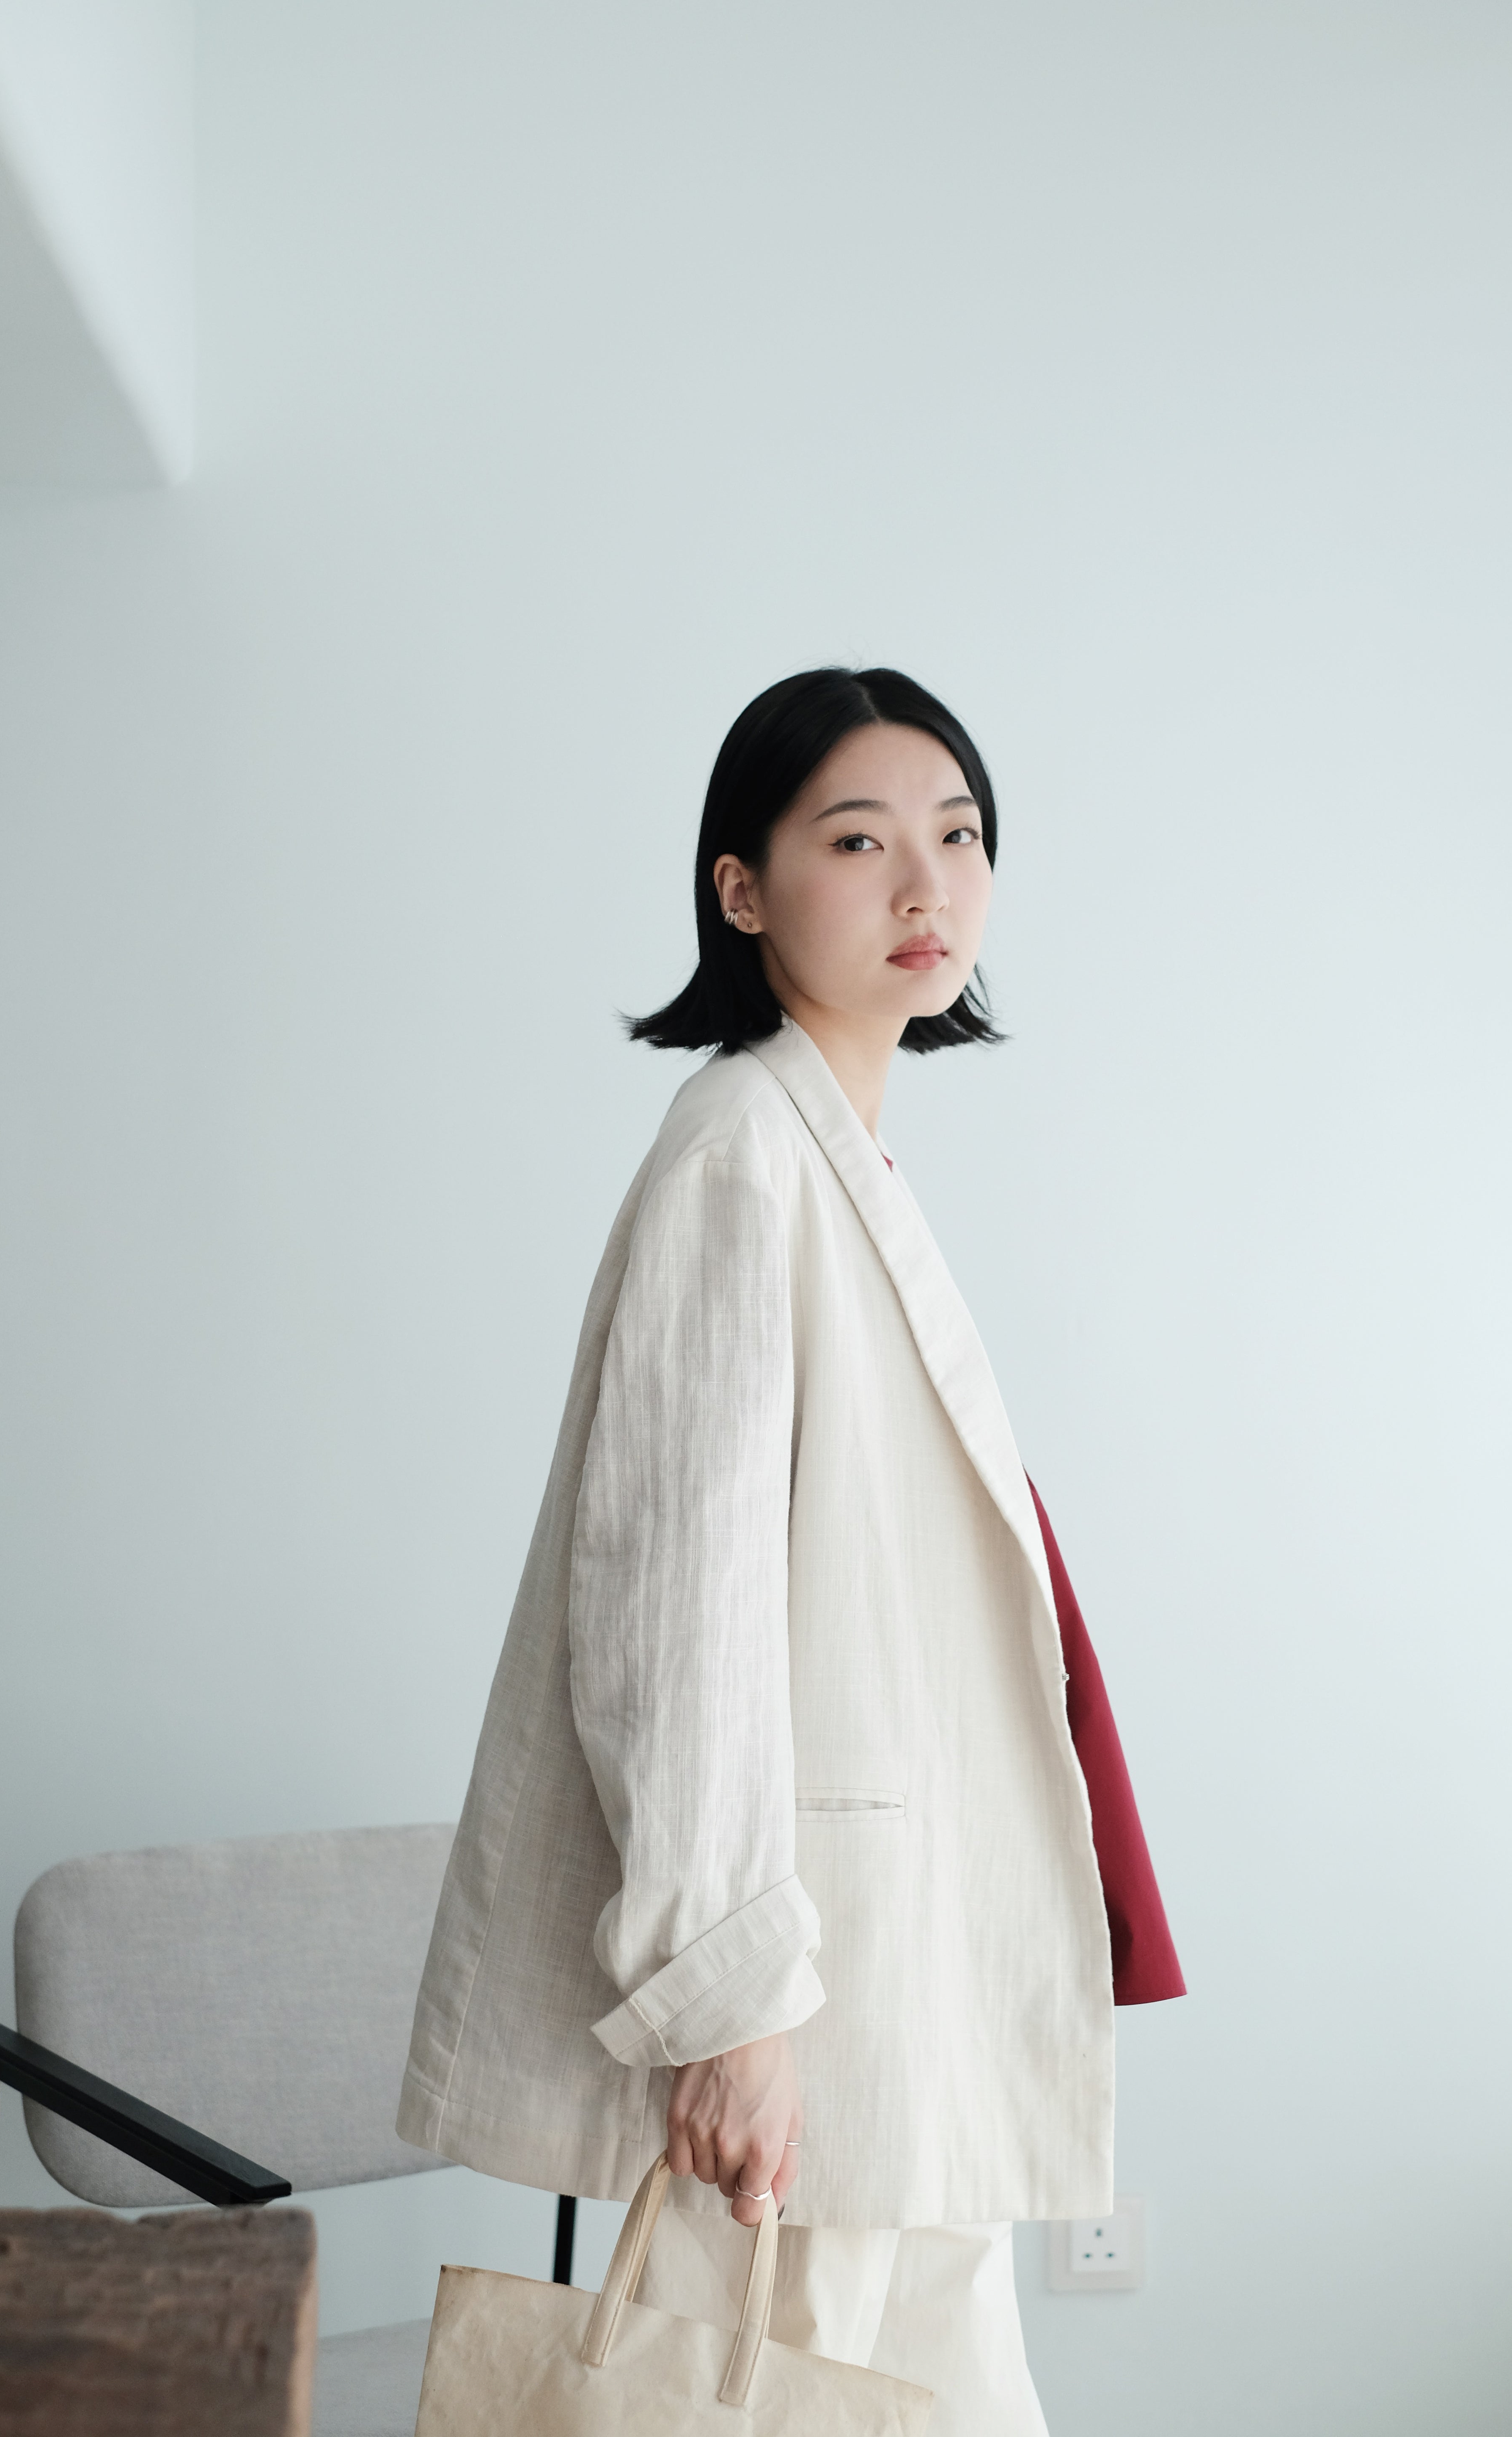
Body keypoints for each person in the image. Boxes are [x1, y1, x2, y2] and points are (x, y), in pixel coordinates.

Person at [399, 666, 1182, 2433]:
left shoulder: (842, 1160)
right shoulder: (742, 1158)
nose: (927, 886)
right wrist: (730, 2006)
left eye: (959, 838)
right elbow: (671, 1623)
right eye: (859, 841)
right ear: (742, 890)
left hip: (899, 1991)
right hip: (806, 2015)